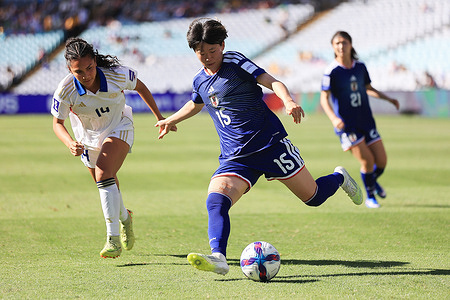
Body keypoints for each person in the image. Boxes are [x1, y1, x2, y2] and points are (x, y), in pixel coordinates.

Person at [155, 18, 363, 276]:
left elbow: (272, 82)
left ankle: (339, 177)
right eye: (201, 52)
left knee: (314, 197)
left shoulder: (234, 63)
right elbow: (196, 103)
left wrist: (287, 100)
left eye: (212, 51)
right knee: (216, 201)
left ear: (222, 45)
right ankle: (219, 257)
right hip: (236, 156)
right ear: (194, 51)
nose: (208, 57)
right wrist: (171, 119)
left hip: (270, 144)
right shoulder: (199, 80)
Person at [51, 37, 172, 258]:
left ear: (95, 61)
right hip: (87, 138)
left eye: (89, 67)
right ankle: (126, 218)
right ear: (70, 69)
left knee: (104, 171)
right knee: (107, 184)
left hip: (120, 126)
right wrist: (70, 143)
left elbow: (141, 87)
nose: (86, 75)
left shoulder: (118, 74)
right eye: (79, 71)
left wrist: (160, 117)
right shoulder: (65, 89)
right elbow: (57, 123)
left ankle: (112, 239)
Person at [320, 31, 400, 209]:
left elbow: (368, 88)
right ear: (333, 47)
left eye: (344, 42)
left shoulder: (360, 67)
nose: (341, 46)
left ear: (351, 44)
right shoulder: (331, 71)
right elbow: (323, 98)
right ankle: (371, 197)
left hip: (366, 121)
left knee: (382, 162)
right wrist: (334, 118)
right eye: (337, 43)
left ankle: (372, 181)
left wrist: (388, 99)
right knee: (367, 161)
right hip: (348, 126)